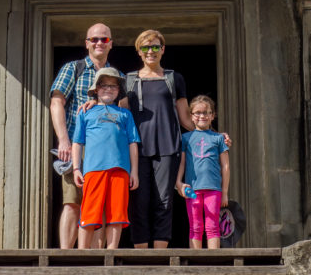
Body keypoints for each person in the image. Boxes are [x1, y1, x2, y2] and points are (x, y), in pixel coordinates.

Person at [50, 22, 120, 248]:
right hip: (76, 148)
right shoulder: (73, 68)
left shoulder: (114, 76)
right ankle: (65, 257)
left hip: (106, 152)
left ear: (111, 44)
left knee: (100, 206)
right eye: (95, 39)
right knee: (72, 202)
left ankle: (97, 261)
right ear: (87, 43)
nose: (99, 43)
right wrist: (63, 139)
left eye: (104, 39)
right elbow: (56, 102)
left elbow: (123, 111)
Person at [125, 29, 193, 248]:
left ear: (162, 50)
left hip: (168, 147)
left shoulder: (174, 78)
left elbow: (185, 118)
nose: (150, 51)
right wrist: (93, 106)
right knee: (139, 202)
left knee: (164, 202)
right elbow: (120, 116)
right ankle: (141, 259)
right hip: (137, 149)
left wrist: (213, 134)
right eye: (145, 47)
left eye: (155, 46)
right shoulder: (129, 81)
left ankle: (159, 259)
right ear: (139, 51)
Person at [72, 68, 140, 248]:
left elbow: (133, 143)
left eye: (113, 86)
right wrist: (76, 168)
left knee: (117, 214)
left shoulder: (125, 114)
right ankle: (82, 254)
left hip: (120, 170)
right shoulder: (85, 112)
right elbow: (77, 142)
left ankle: (111, 252)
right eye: (104, 85)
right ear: (96, 89)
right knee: (89, 212)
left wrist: (134, 171)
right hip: (93, 169)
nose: (108, 89)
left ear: (119, 90)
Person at [175, 95, 229, 249]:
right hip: (192, 189)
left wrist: (224, 191)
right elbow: (182, 163)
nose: (202, 116)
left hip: (213, 189)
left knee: (212, 227)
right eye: (197, 113)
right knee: (195, 227)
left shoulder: (219, 139)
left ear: (213, 116)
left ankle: (213, 262)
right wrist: (179, 182)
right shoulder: (186, 138)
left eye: (206, 112)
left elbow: (226, 166)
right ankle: (195, 263)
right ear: (191, 116)